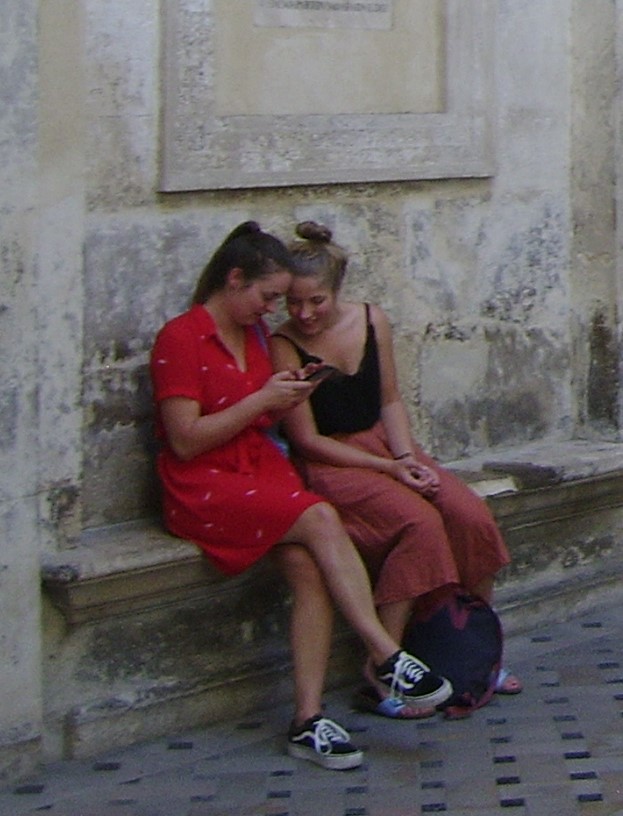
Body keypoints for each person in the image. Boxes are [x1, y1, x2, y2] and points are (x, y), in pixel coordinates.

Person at [149, 220, 452, 771]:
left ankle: (306, 720)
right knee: (317, 515)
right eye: (267, 297)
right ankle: (384, 655)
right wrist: (262, 398)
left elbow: (265, 416)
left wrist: (290, 396)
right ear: (235, 279)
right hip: (206, 485)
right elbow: (185, 440)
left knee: (309, 570)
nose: (272, 310)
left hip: (259, 472)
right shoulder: (182, 336)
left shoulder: (258, 338)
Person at [271, 221, 522, 720]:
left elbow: (389, 400)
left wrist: (407, 459)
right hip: (334, 461)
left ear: (336, 290)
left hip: (386, 446)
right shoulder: (283, 344)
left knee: (466, 512)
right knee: (418, 522)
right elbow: (306, 440)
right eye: (293, 303)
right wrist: (388, 467)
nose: (304, 313)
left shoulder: (370, 321)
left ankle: (474, 648)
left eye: (315, 301)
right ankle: (382, 666)